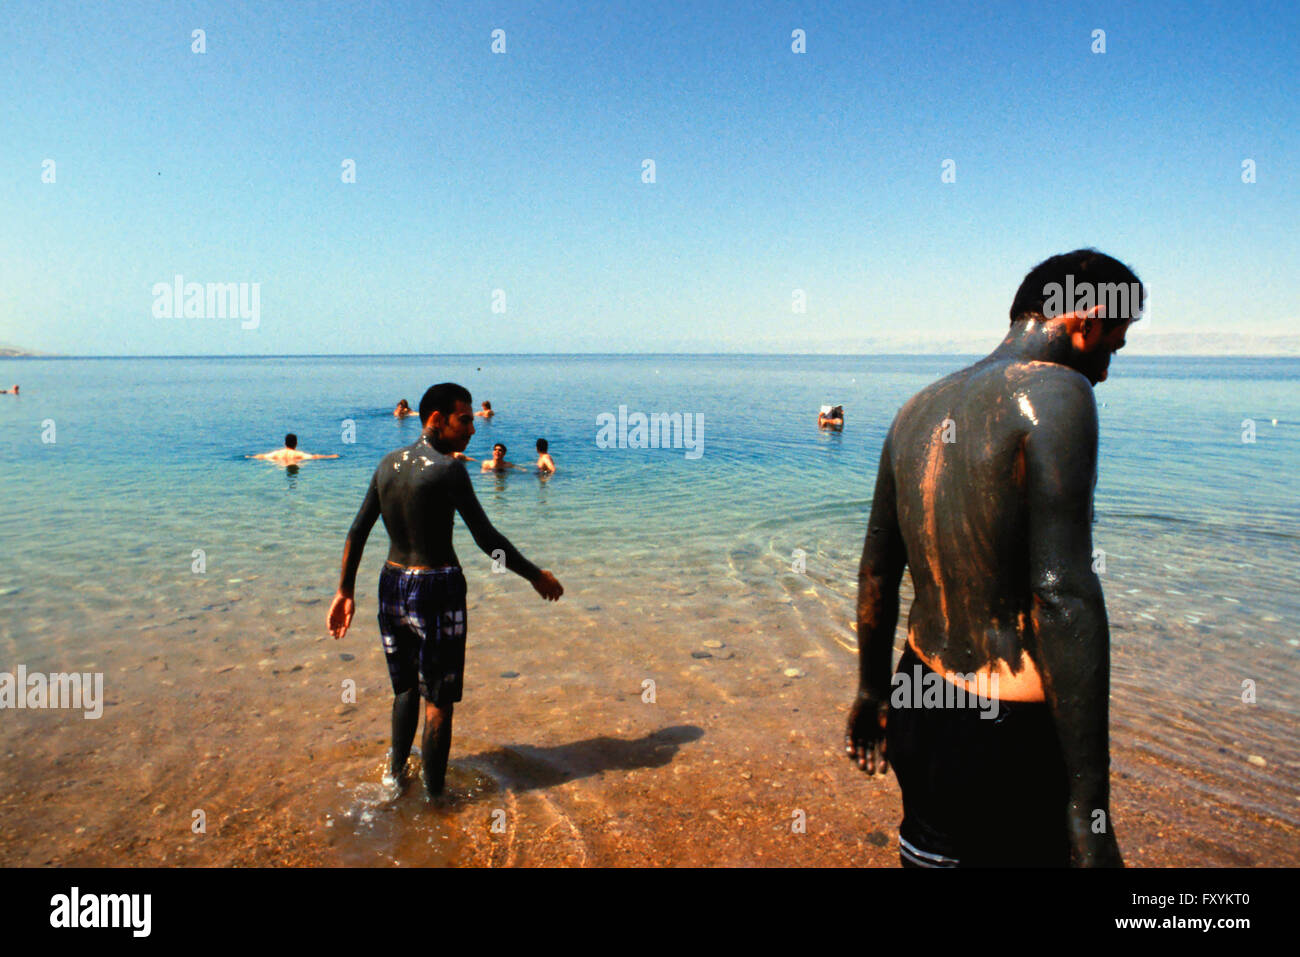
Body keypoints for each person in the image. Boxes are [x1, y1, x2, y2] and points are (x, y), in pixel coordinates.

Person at [844, 249, 1141, 868]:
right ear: (1083, 322)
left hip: (919, 698)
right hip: (1004, 728)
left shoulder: (918, 406)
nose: (1106, 371)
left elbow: (877, 569)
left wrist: (871, 695)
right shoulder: (1059, 392)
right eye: (1114, 343)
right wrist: (1091, 807)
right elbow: (1063, 596)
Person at [326, 383, 563, 796]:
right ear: (436, 419)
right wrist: (533, 575)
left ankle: (394, 780)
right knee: (438, 700)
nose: (472, 430)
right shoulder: (449, 468)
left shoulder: (386, 465)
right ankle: (435, 799)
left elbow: (358, 531)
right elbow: (486, 538)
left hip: (391, 582)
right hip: (436, 587)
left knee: (404, 691)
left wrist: (344, 591)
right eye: (464, 420)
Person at [248, 433, 339, 464]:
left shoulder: (277, 453)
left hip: (280, 466)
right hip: (294, 464)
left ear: (285, 443)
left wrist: (250, 457)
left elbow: (261, 456)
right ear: (296, 444)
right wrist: (331, 456)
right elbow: (315, 457)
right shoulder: (298, 454)